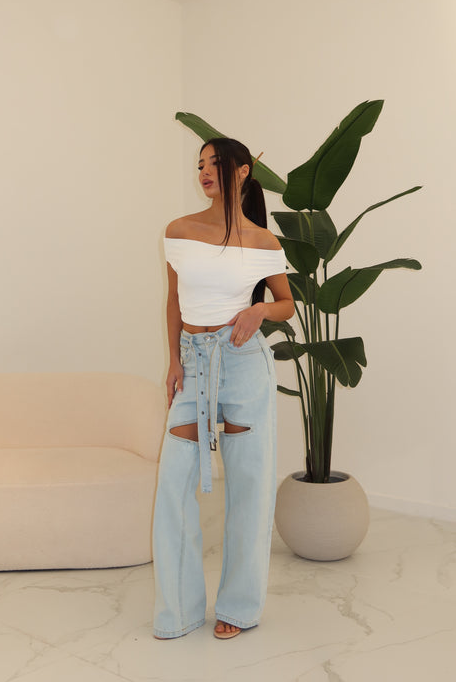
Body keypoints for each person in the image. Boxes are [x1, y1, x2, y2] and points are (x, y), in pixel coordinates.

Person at [152, 137, 295, 640]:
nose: (204, 171)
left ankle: (238, 606)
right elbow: (174, 299)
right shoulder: (179, 231)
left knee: (250, 488)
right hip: (192, 363)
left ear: (242, 171)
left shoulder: (263, 242)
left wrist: (259, 310)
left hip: (243, 363)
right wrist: (174, 359)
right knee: (173, 487)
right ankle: (178, 611)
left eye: (214, 163)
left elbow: (286, 304)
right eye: (199, 165)